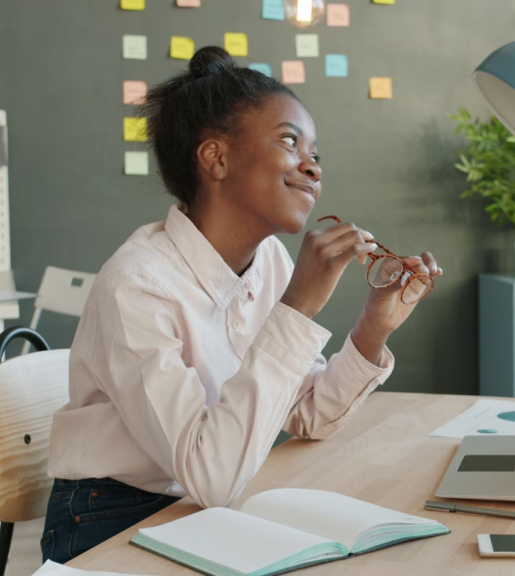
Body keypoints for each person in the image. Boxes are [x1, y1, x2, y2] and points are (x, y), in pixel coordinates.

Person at [40, 46, 440, 564]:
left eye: (316, 154)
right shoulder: (136, 285)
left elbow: (307, 415)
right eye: (290, 142)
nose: (312, 169)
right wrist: (296, 309)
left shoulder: (268, 260)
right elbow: (212, 476)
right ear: (217, 158)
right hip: (110, 517)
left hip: (201, 505)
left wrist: (371, 329)